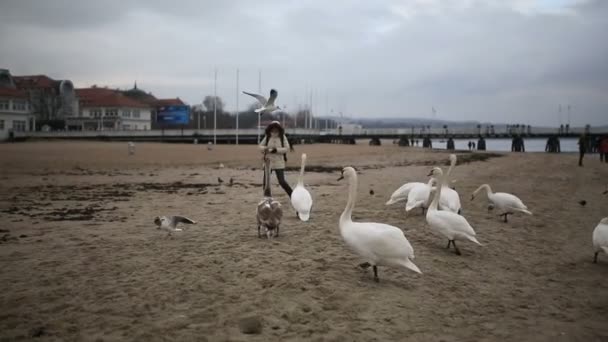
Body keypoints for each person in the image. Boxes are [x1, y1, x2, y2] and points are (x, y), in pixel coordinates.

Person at [259, 121, 293, 197]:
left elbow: (287, 148)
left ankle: (292, 195)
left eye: (276, 129)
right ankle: (266, 197)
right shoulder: (267, 137)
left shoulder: (282, 137)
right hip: (268, 162)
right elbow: (260, 146)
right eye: (273, 129)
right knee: (266, 182)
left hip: (279, 162)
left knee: (282, 181)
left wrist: (276, 150)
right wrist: (265, 149)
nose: (274, 131)